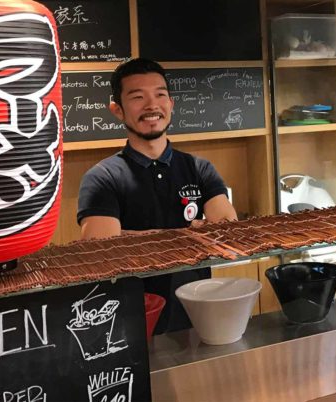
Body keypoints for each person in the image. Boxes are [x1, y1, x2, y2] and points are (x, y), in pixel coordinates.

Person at [77, 58, 237, 334]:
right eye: (138, 97)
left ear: (171, 104)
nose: (152, 106)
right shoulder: (102, 177)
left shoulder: (198, 168)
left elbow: (226, 229)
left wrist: (134, 236)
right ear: (117, 110)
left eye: (160, 95)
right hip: (131, 318)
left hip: (197, 310)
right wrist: (187, 235)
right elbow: (101, 250)